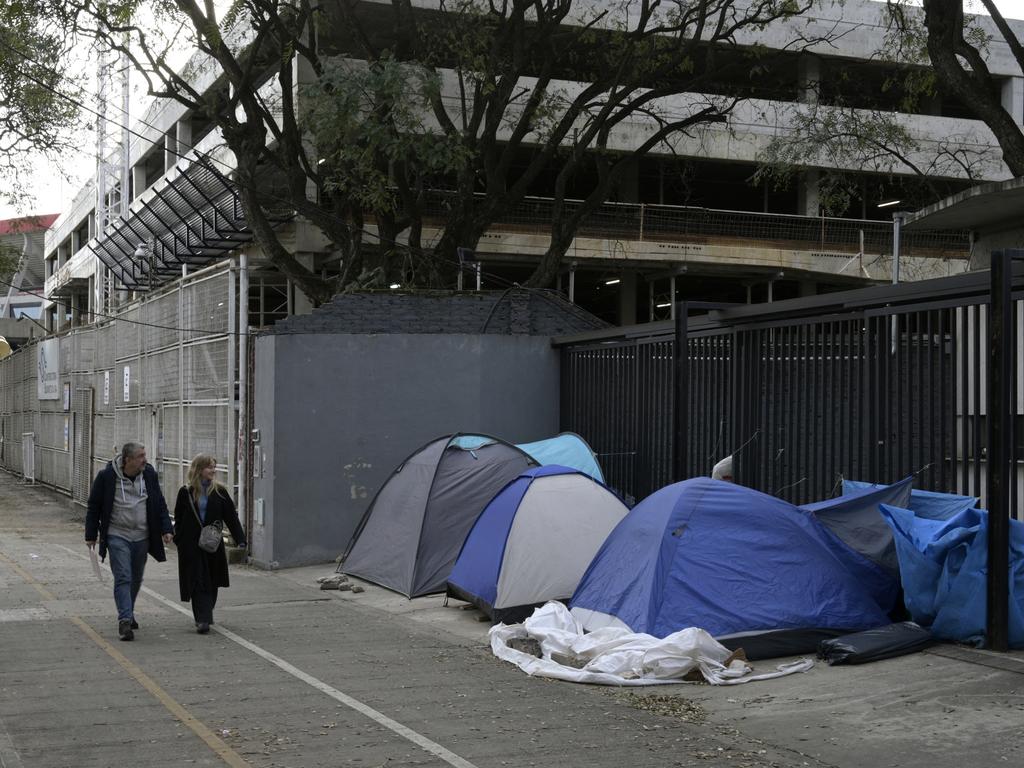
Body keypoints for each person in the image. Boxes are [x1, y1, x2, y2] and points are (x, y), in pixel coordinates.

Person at [85, 442, 174, 641]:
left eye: (145, 455)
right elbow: (94, 506)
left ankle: (129, 610)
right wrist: (90, 534)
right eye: (141, 456)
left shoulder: (148, 475)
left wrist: (166, 528)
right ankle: (124, 620)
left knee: (135, 577)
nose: (145, 459)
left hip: (142, 536)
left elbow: (159, 503)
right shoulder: (107, 477)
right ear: (128, 459)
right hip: (118, 535)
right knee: (123, 576)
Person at [173, 454, 246, 634]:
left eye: (214, 467)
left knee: (212, 579)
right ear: (198, 469)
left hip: (212, 543)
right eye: (209, 467)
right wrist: (179, 539)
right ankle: (202, 619)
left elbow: (231, 516)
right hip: (192, 544)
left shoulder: (219, 491)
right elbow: (179, 518)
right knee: (198, 580)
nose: (213, 470)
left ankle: (206, 612)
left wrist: (240, 539)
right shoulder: (186, 491)